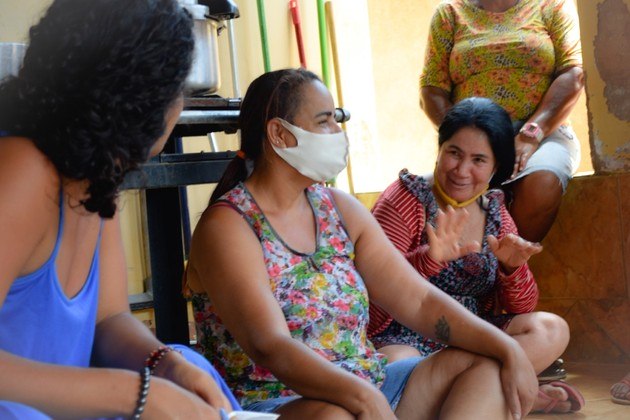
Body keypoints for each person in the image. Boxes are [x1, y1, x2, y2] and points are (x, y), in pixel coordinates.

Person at [184, 68, 540, 419]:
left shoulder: (339, 208)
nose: (338, 133)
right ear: (279, 134)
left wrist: (507, 348)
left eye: (336, 120)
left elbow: (418, 300)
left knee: (486, 365)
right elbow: (271, 346)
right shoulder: (229, 225)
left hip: (370, 388)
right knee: (335, 416)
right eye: (325, 121)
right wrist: (363, 399)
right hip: (277, 404)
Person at [0, 0, 240, 418]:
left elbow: (108, 320)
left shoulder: (92, 173)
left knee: (187, 364)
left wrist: (162, 367)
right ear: (142, 97)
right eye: (178, 90)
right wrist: (135, 393)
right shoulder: (23, 169)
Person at [368, 97, 584, 414]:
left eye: (479, 160)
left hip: (473, 334)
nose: (462, 170)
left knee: (551, 329)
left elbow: (522, 307)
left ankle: (487, 389)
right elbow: (372, 297)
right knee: (396, 365)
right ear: (439, 150)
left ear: (496, 167)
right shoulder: (404, 199)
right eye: (454, 153)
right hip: (402, 336)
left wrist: (513, 269)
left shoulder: (495, 211)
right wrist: (428, 259)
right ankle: (509, 392)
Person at [419, 0, 584, 243]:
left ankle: (504, 271)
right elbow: (432, 90)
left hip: (544, 133)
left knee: (542, 182)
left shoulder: (552, 6)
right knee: (455, 184)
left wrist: (531, 133)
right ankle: (477, 272)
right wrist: (467, 140)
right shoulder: (450, 13)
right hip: (474, 137)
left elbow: (573, 74)